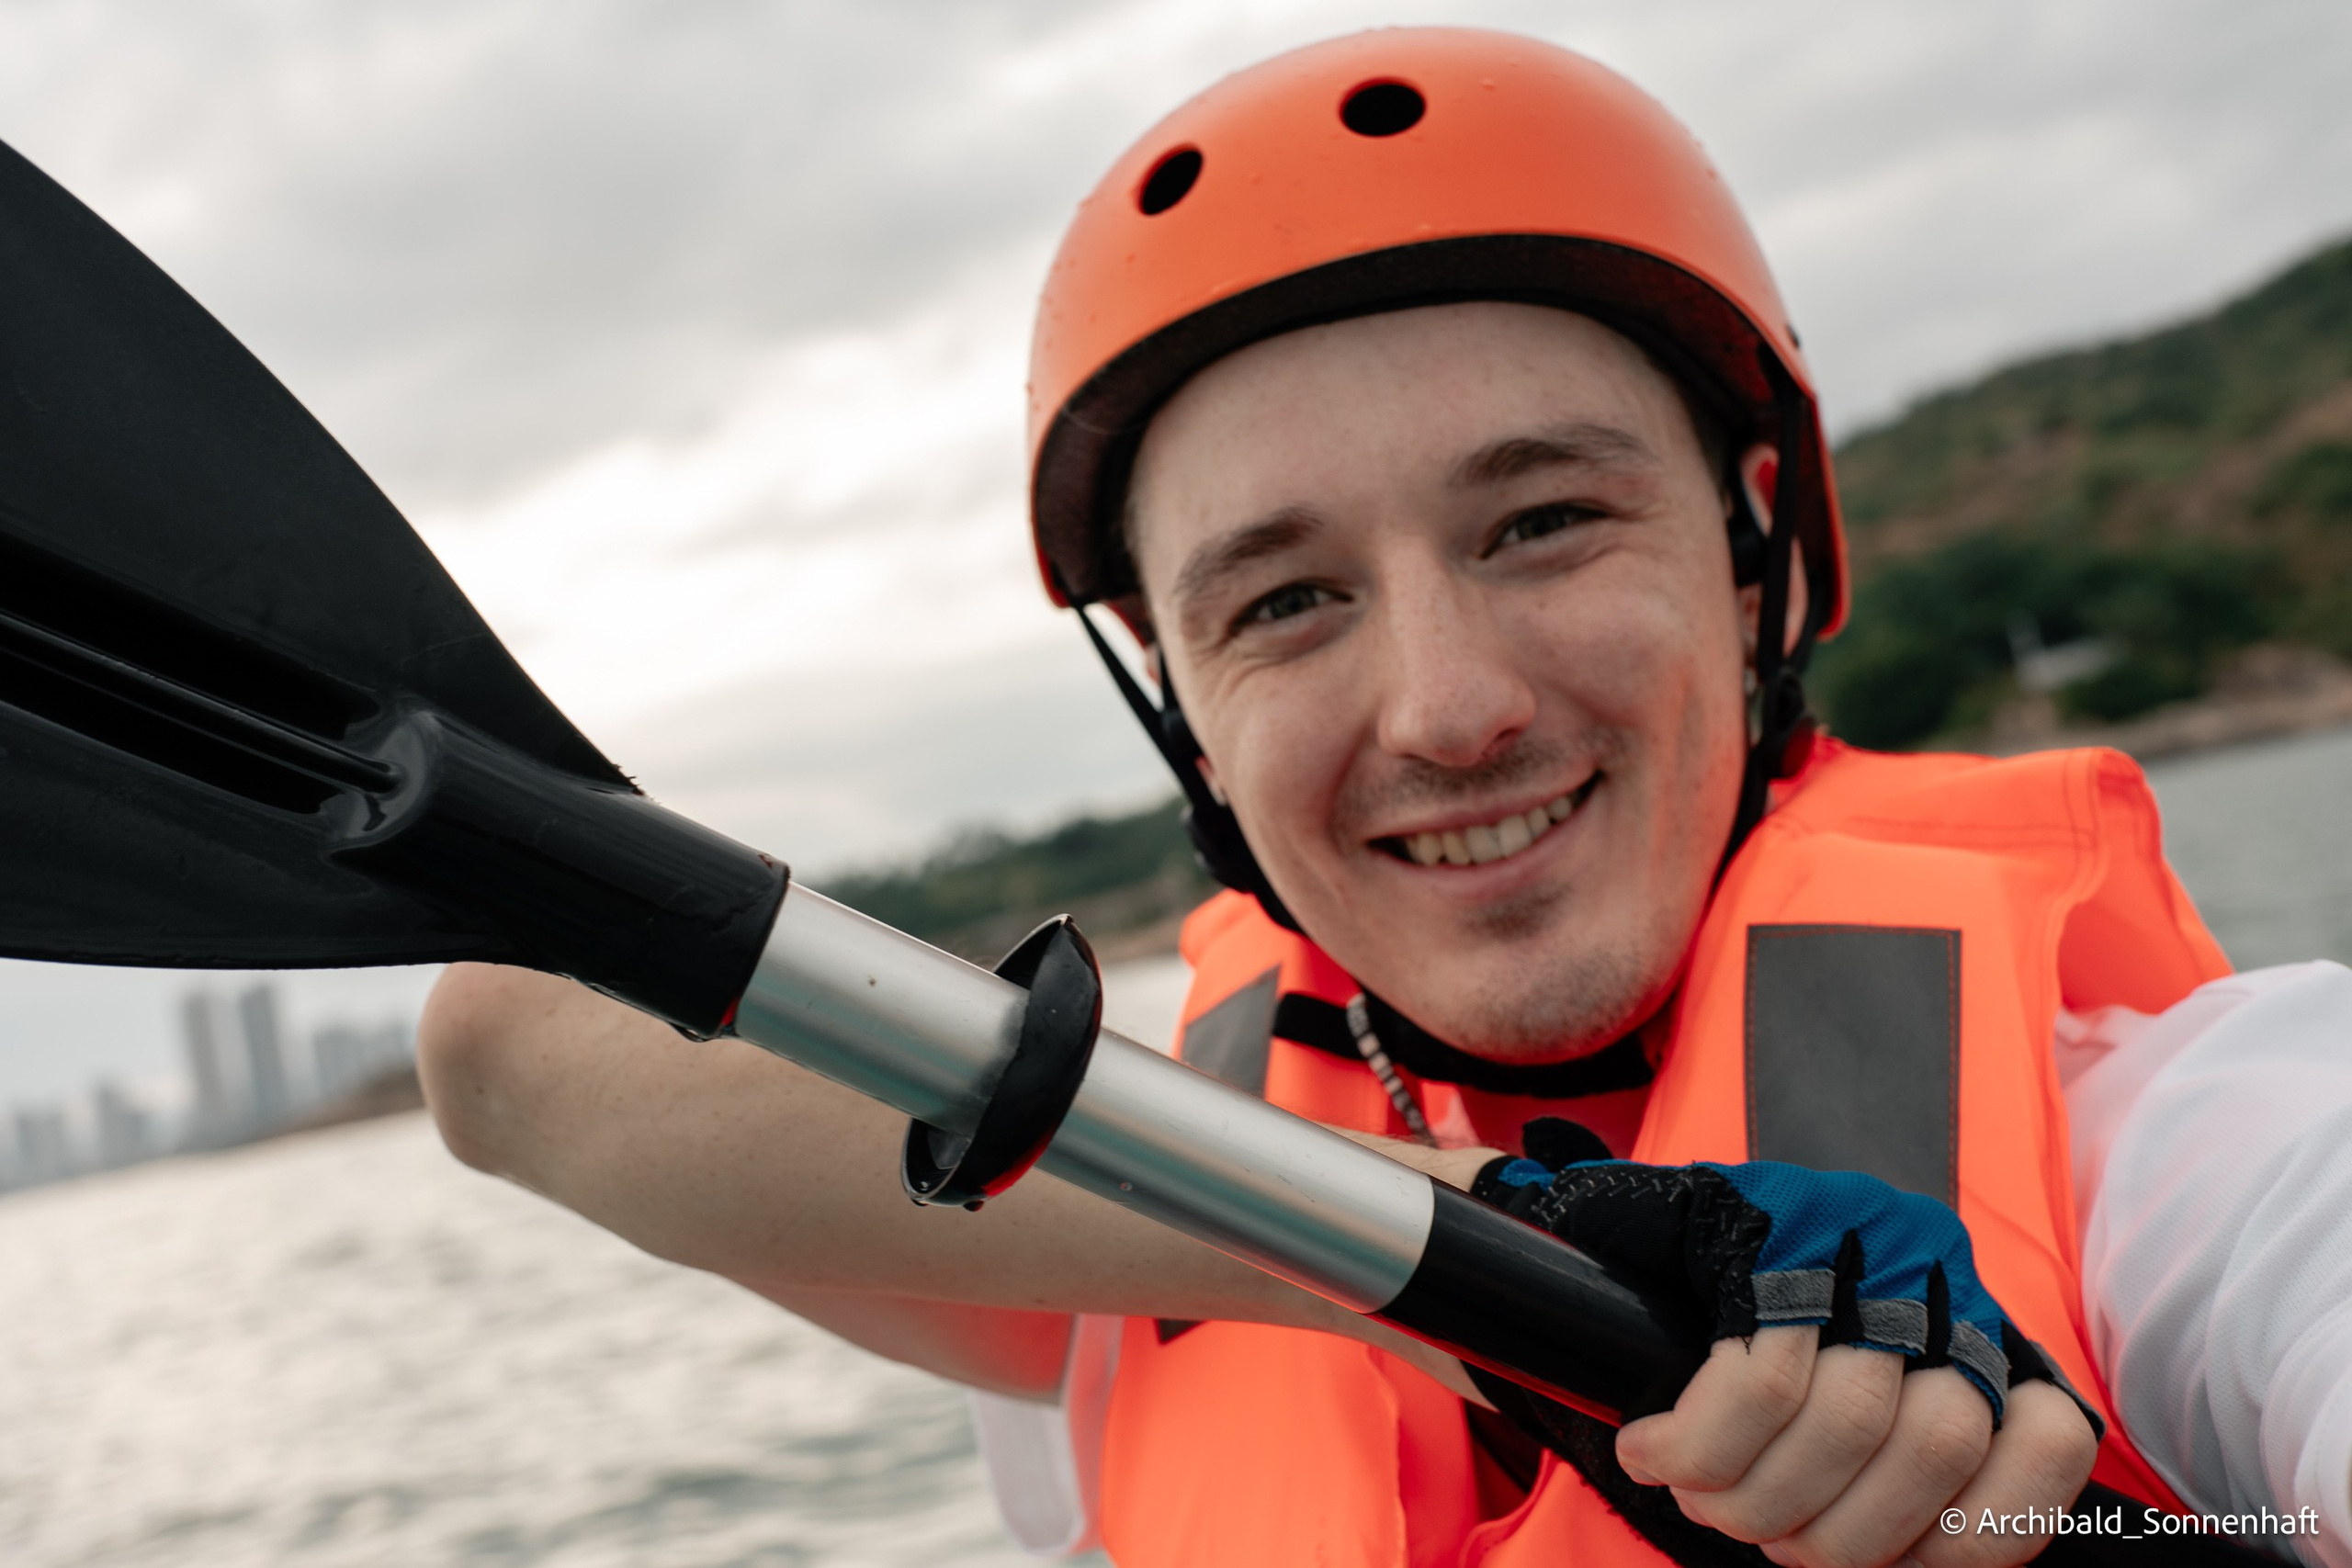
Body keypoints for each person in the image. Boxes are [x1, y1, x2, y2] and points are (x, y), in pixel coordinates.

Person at [418, 28, 2352, 1568]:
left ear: (1753, 548)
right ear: (1183, 709)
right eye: (1284, 602)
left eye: (1542, 519)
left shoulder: (2177, 1142)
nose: (1442, 706)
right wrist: (1485, 1235)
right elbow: (502, 1039)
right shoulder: (1121, 1246)